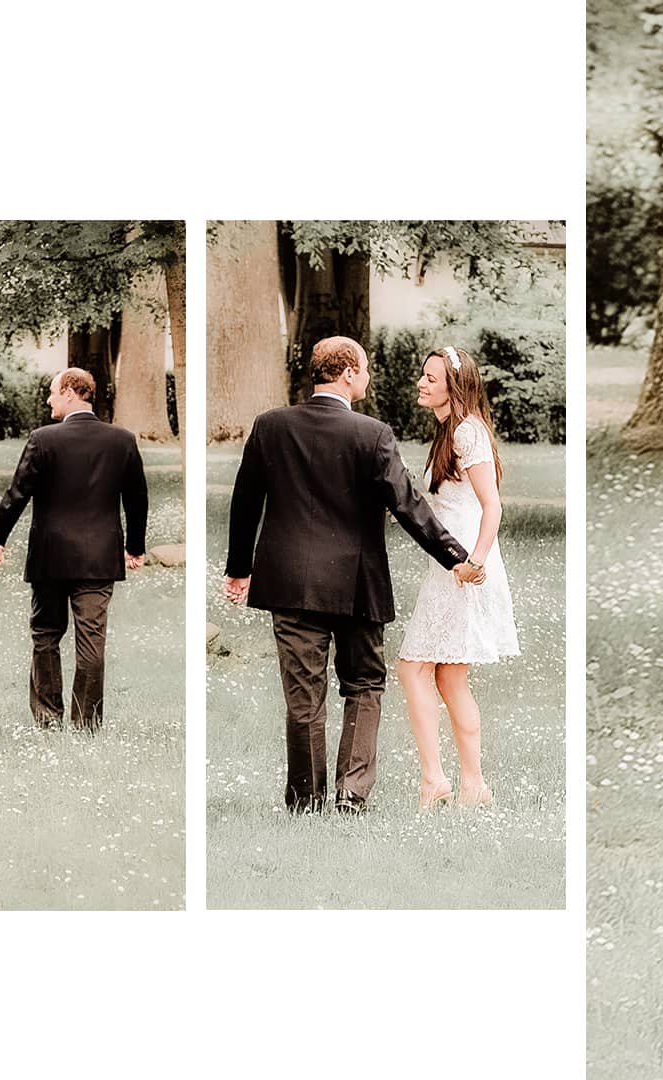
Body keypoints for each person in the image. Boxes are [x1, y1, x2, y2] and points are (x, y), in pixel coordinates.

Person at [223, 336, 483, 814]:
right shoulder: (372, 434)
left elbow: (245, 503)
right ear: (347, 374)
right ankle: (351, 796)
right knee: (363, 684)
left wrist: (240, 570)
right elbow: (408, 506)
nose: (367, 376)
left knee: (304, 695)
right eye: (363, 369)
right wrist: (456, 557)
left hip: (289, 584)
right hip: (356, 584)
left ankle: (304, 802)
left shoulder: (270, 426)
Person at [0, 368, 150, 733]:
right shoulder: (121, 440)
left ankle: (48, 717)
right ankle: (86, 723)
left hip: (51, 555)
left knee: (46, 634)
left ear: (69, 392)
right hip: (99, 558)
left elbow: (17, 494)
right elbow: (137, 499)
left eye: (52, 392)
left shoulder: (43, 440)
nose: (49, 400)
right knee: (92, 639)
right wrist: (134, 546)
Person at [395, 346, 521, 810]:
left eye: (432, 378)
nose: (422, 383)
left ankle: (436, 781)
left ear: (455, 386)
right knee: (449, 677)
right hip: (447, 561)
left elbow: (493, 504)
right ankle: (474, 786)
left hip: (462, 565)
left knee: (413, 667)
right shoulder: (450, 431)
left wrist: (475, 561)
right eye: (423, 375)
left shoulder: (468, 432)